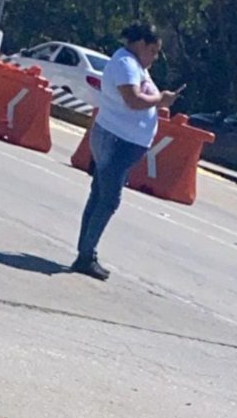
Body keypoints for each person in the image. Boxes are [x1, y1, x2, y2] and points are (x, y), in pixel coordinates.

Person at [72, 22, 182, 281]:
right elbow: (133, 100)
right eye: (153, 51)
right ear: (141, 44)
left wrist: (159, 102)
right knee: (109, 199)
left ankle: (85, 251)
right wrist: (161, 100)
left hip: (123, 139)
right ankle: (86, 255)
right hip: (117, 139)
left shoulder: (137, 67)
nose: (154, 58)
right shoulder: (125, 64)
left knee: (100, 194)